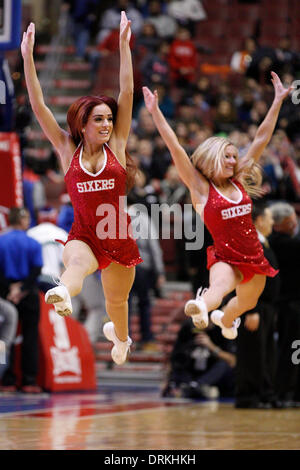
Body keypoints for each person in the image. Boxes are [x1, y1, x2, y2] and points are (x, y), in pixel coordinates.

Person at [21, 13, 142, 366]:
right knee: (74, 263)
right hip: (85, 234)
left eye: (109, 118)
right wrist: (28, 59)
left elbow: (127, 90)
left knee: (116, 303)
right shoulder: (65, 150)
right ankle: (62, 293)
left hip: (118, 236)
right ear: (83, 124)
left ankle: (120, 340)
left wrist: (123, 45)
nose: (107, 124)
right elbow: (39, 106)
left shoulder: (117, 144)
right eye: (99, 119)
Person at [142, 71, 291, 340]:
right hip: (225, 256)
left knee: (246, 303)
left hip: (255, 256)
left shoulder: (238, 181)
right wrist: (155, 112)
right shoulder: (200, 188)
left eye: (235, 156)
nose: (234, 161)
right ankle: (201, 306)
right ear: (212, 157)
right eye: (228, 157)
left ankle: (225, 318)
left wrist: (278, 100)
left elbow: (260, 139)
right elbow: (175, 147)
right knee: (218, 288)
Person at [235, 201, 281, 409]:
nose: (272, 222)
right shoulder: (251, 243)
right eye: (270, 218)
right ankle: (248, 395)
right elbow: (246, 276)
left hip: (267, 308)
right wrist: (251, 310)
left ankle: (265, 392)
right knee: (252, 352)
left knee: (266, 352)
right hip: (254, 307)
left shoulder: (264, 242)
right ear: (260, 220)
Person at [0, 207, 43, 393]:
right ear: (24, 220)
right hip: (28, 293)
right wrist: (23, 289)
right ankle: (29, 380)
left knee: (3, 338)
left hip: (5, 293)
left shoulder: (2, 241)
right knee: (30, 336)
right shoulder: (33, 243)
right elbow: (37, 270)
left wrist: (10, 289)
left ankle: (6, 378)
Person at [269, 202, 300, 406]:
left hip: (287, 304)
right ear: (279, 225)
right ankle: (286, 392)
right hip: (290, 305)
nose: (294, 224)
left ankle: (289, 391)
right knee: (292, 349)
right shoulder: (280, 243)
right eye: (291, 222)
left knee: (291, 349)